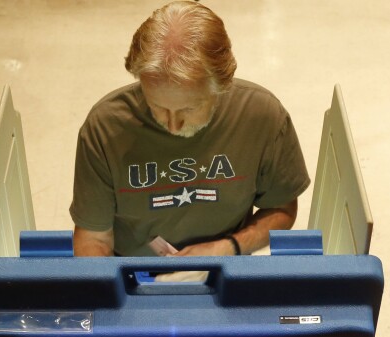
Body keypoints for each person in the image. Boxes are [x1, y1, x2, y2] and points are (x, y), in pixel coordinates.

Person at [71, 1, 310, 257]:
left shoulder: (262, 117)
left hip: (226, 266)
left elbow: (281, 209)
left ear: (222, 86)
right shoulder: (106, 127)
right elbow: (94, 238)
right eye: (157, 106)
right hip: (132, 271)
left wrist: (229, 247)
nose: (173, 125)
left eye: (189, 109)